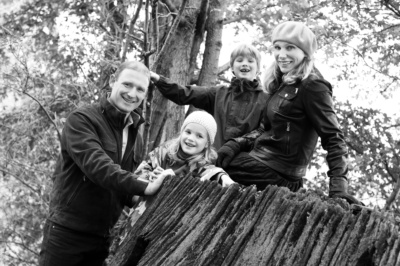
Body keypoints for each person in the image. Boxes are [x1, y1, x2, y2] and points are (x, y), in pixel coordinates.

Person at [39, 60, 169, 266]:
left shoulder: (136, 134)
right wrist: (146, 186)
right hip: (66, 235)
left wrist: (148, 194)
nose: (132, 93)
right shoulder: (82, 119)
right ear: (112, 81)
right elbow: (98, 168)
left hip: (101, 239)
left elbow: (121, 186)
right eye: (127, 84)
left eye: (140, 89)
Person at [217, 21, 362, 205]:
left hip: (278, 174)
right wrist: (235, 145)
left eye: (290, 48)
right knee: (212, 162)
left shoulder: (313, 86)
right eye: (277, 47)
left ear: (305, 52)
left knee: (209, 171)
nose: (281, 54)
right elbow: (264, 129)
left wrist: (339, 189)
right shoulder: (282, 84)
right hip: (258, 162)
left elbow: (334, 138)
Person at [150, 43, 269, 149]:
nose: (244, 64)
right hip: (214, 162)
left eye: (250, 61)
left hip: (247, 165)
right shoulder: (219, 93)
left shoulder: (266, 99)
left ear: (258, 68)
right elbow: (185, 93)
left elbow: (265, 132)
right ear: (232, 67)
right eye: (239, 60)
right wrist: (159, 80)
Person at [135, 111, 235, 188]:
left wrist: (223, 177)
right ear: (182, 132)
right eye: (188, 132)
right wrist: (150, 176)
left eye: (199, 136)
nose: (191, 138)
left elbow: (212, 172)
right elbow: (139, 173)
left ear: (207, 144)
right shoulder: (162, 154)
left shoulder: (200, 166)